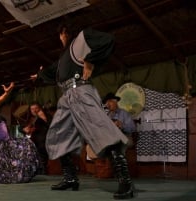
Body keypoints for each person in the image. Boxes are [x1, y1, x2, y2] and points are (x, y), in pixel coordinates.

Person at [31, 21, 136, 199]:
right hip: (66, 97)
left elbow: (108, 40)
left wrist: (90, 60)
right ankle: (70, 178)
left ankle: (125, 182)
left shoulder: (82, 37)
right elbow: (51, 71)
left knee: (104, 134)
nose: (62, 37)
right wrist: (39, 75)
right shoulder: (63, 56)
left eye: (62, 33)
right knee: (59, 136)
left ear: (65, 32)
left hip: (81, 91)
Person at [19, 102, 50, 174]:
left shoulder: (46, 116)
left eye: (36, 108)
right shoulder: (29, 118)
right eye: (32, 109)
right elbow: (20, 127)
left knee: (42, 156)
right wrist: (24, 129)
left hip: (42, 142)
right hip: (31, 142)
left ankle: (43, 172)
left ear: (40, 109)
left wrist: (44, 118)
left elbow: (52, 126)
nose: (34, 110)